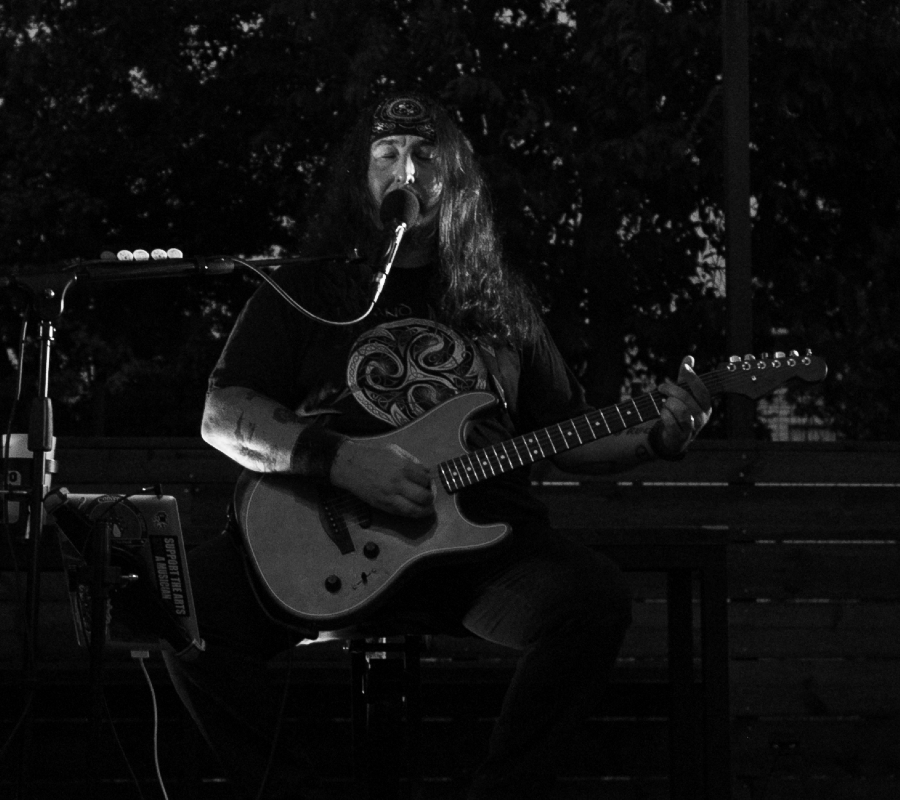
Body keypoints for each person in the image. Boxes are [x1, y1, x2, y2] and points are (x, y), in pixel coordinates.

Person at [161, 91, 713, 800]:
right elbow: (223, 411)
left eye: (426, 154)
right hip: (330, 543)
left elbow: (569, 435)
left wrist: (660, 438)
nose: (406, 170)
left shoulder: (498, 301)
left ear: (456, 177)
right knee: (182, 607)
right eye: (386, 155)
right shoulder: (304, 288)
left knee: (593, 601)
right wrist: (341, 460)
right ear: (362, 181)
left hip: (480, 554)